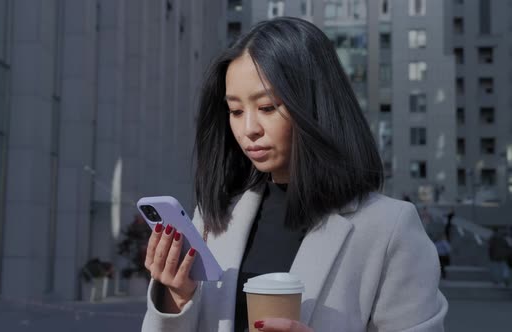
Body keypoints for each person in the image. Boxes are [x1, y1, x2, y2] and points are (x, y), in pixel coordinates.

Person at [141, 17, 447, 332]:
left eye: (268, 107)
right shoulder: (213, 220)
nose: (249, 129)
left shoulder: (388, 228)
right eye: (235, 111)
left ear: (314, 105)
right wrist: (176, 300)